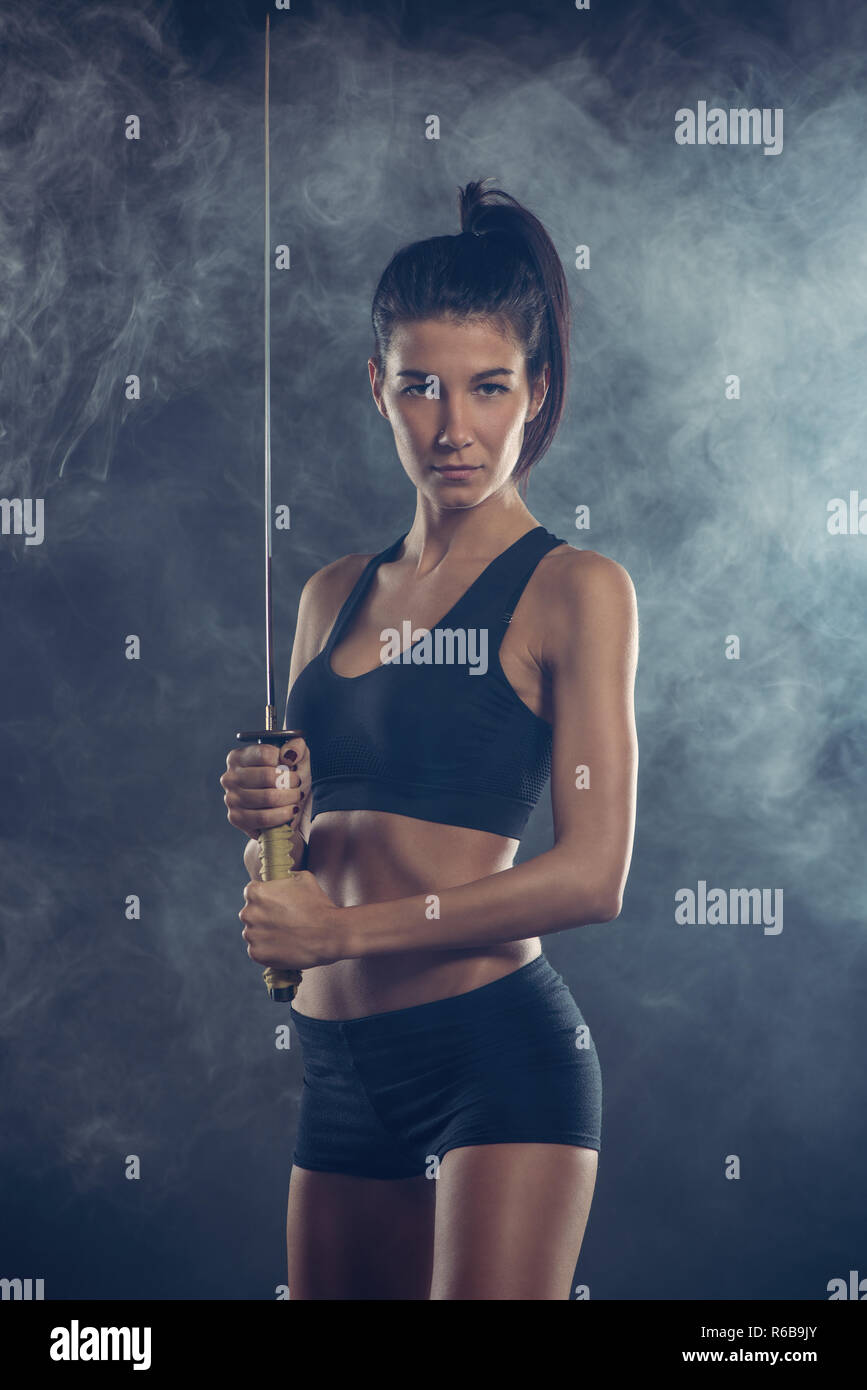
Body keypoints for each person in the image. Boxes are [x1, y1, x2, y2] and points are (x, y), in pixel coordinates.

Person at [220, 178, 638, 1300]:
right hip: (340, 1071)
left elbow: (594, 876)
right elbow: (300, 881)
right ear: (378, 389)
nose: (454, 428)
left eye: (488, 387)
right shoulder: (330, 593)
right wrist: (269, 832)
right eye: (421, 387)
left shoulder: (573, 588)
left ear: (535, 390)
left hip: (494, 1061)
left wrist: (344, 932)